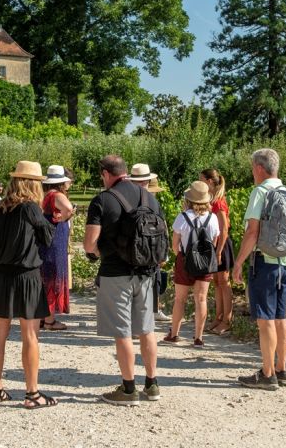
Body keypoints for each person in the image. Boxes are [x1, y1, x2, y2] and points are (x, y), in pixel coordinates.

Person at [84, 155, 164, 406]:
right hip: (146, 273)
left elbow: (89, 243)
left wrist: (99, 252)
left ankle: (128, 390)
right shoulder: (149, 198)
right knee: (147, 330)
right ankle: (152, 385)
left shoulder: (102, 200)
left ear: (106, 174)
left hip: (115, 274)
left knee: (123, 333)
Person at [0, 161, 58, 409]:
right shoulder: (30, 208)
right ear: (34, 184)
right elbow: (47, 238)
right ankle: (32, 393)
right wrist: (52, 221)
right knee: (30, 336)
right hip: (27, 275)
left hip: (2, 274)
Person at [232, 148, 286, 390]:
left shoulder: (260, 192)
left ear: (258, 168)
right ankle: (281, 369)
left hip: (264, 263)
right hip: (284, 263)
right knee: (280, 318)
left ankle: (267, 374)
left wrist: (238, 262)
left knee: (265, 320)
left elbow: (252, 232)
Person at [162, 181, 219, 347]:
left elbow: (175, 243)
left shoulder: (183, 217)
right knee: (201, 299)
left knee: (180, 299)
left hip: (185, 259)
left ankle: (174, 334)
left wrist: (180, 255)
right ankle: (198, 337)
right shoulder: (213, 218)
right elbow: (214, 242)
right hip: (205, 261)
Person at [128, 164, 170, 323]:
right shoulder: (152, 202)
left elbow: (162, 228)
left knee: (146, 284)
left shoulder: (130, 201)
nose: (143, 186)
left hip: (143, 250)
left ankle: (141, 321)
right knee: (142, 285)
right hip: (143, 250)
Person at [40, 165, 75, 331]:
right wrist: (66, 217)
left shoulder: (44, 194)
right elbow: (67, 208)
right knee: (54, 277)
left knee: (45, 276)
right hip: (56, 240)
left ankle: (41, 318)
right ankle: (49, 321)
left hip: (45, 241)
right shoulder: (57, 195)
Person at [201, 168, 233, 335]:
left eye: (202, 179)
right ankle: (218, 317)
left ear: (210, 182)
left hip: (222, 245)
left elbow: (224, 229)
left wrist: (219, 251)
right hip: (215, 245)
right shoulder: (212, 202)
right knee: (217, 282)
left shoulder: (219, 203)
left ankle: (227, 320)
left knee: (224, 282)